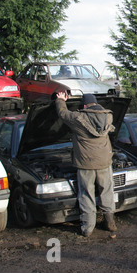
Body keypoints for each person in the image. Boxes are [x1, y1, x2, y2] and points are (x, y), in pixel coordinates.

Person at [55, 92, 117, 237]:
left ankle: (88, 228)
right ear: (96, 104)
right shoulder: (108, 117)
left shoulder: (78, 118)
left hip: (85, 164)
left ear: (84, 106)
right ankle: (110, 222)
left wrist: (60, 100)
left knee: (86, 194)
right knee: (106, 191)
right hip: (104, 162)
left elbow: (62, 113)